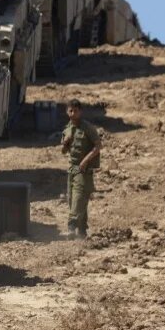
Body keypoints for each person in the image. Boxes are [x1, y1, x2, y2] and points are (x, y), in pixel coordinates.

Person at [60, 99, 101, 238]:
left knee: (78, 197)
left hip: (84, 169)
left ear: (80, 112)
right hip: (72, 168)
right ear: (67, 112)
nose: (73, 113)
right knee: (72, 198)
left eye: (75, 111)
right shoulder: (67, 129)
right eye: (70, 111)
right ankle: (82, 230)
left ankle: (71, 226)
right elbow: (63, 151)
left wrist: (85, 161)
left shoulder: (87, 128)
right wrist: (65, 144)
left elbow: (98, 146)